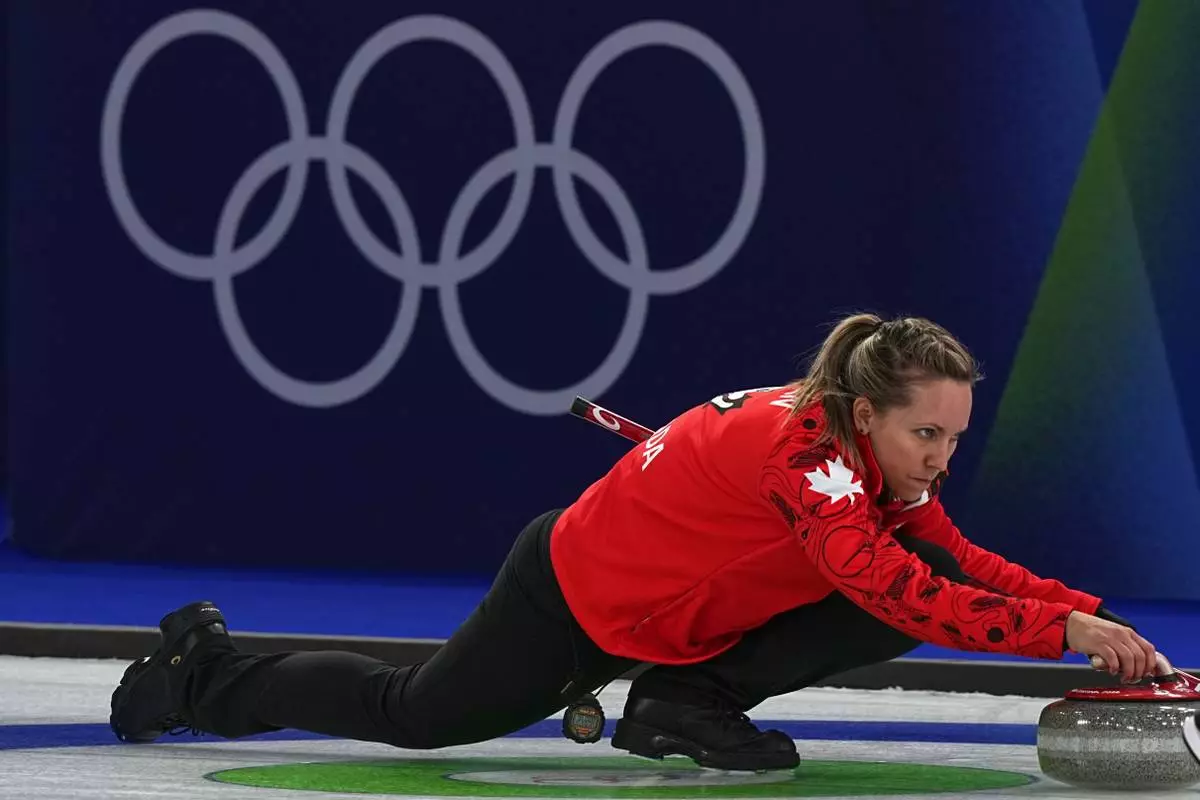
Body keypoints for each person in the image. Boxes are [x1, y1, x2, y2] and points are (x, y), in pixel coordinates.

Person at [110, 312, 1158, 771]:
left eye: (953, 436)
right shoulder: (813, 462)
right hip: (578, 592)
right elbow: (906, 591)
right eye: (925, 432)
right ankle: (205, 674)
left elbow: (956, 557)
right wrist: (1056, 634)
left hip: (682, 602)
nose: (939, 455)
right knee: (417, 713)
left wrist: (1083, 610)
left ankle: (682, 701)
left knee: (903, 572)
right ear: (869, 410)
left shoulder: (866, 451)